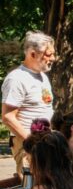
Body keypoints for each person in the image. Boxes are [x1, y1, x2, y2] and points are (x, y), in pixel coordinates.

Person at [2, 31, 55, 179]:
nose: (53, 58)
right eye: (48, 54)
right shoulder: (17, 79)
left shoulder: (42, 75)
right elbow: (7, 117)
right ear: (32, 54)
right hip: (27, 143)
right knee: (32, 186)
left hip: (44, 140)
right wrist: (31, 141)